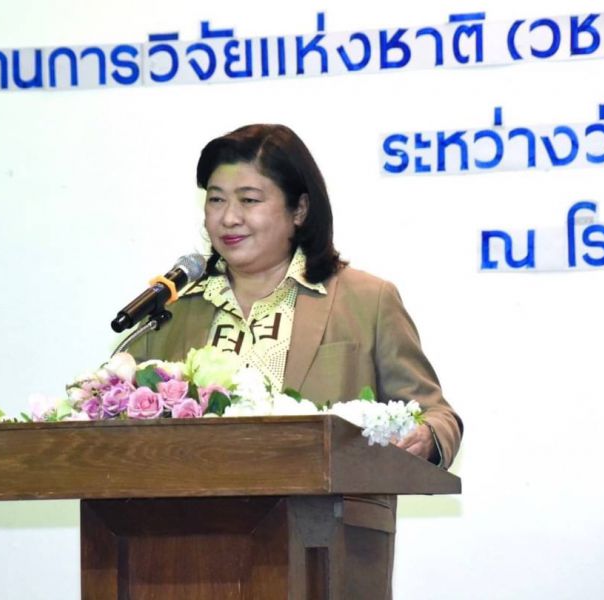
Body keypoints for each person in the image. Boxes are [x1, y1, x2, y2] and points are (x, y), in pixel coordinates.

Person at [129, 123, 463, 595]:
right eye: (216, 199)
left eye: (249, 200)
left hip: (327, 550)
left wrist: (427, 437)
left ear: (299, 209)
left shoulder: (365, 300)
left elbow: (435, 412)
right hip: (188, 558)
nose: (228, 218)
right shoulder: (172, 312)